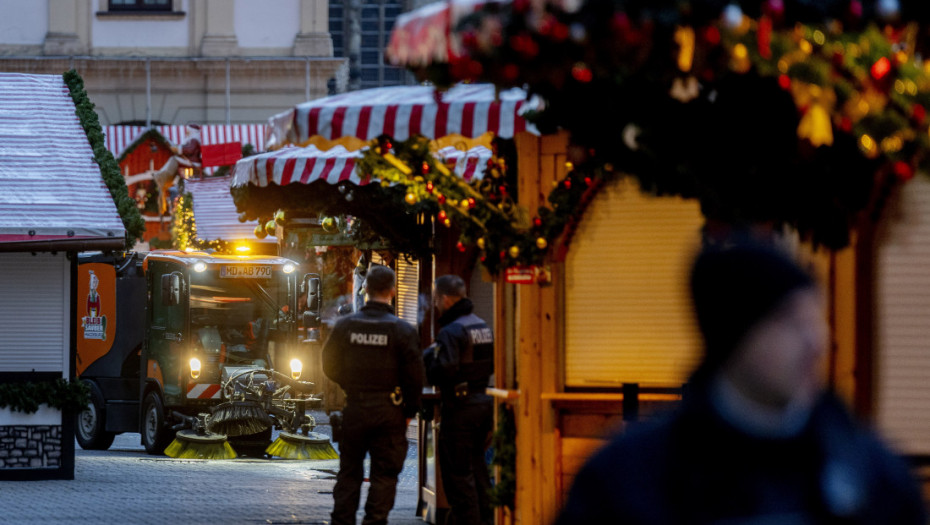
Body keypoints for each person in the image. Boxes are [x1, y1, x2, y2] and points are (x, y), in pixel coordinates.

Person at [555, 237, 927, 524]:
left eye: (815, 318)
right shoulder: (629, 480)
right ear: (733, 337)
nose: (816, 342)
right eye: (790, 322)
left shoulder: (870, 474)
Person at [322, 264, 423, 525]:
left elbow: (329, 364)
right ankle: (375, 521)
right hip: (389, 411)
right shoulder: (402, 330)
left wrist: (350, 384)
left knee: (349, 472)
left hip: (355, 407)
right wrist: (409, 413)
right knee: (385, 475)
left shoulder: (346, 326)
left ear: (365, 289)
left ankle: (342, 521)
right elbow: (414, 377)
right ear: (392, 290)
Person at [423, 274, 494, 525]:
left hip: (460, 409)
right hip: (483, 404)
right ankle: (486, 519)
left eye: (436, 299)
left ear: (445, 299)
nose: (435, 304)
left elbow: (445, 370)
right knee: (478, 471)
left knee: (458, 476)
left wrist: (429, 358)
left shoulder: (451, 331)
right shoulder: (481, 326)